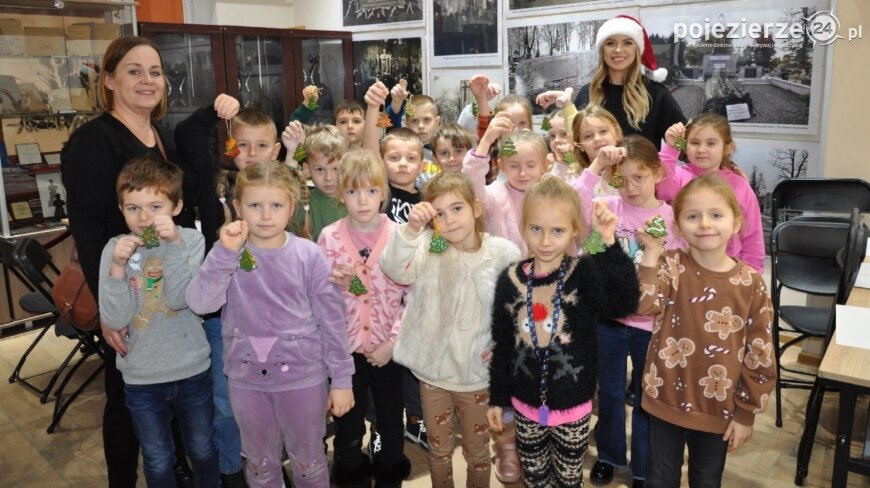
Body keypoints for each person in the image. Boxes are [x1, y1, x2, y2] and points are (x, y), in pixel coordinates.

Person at [61, 35, 229, 487]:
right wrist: (106, 308)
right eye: (133, 70)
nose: (147, 80)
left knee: (176, 396)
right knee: (126, 397)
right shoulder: (93, 142)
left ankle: (176, 470)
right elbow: (90, 227)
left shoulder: (162, 137)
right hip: (129, 292)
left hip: (173, 283)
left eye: (154, 71)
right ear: (110, 80)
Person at [185, 162, 355, 487]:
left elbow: (332, 322)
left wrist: (342, 379)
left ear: (290, 206)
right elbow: (200, 303)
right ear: (238, 207)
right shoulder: (228, 255)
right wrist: (224, 253)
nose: (265, 216)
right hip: (247, 380)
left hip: (303, 379)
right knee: (261, 465)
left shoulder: (309, 255)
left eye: (276, 205)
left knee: (309, 462)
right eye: (254, 206)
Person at [487, 177, 641, 487]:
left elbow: (623, 302)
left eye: (557, 230)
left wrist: (608, 243)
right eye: (536, 229)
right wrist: (498, 399)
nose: (545, 241)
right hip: (524, 406)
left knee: (569, 477)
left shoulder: (583, 273)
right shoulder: (509, 280)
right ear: (523, 227)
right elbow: (504, 344)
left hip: (573, 408)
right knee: (534, 476)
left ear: (574, 231)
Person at [380, 172, 521, 487]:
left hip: (478, 378)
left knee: (478, 452)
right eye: (439, 213)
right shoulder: (429, 246)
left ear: (476, 208)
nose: (449, 219)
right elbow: (392, 268)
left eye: (457, 209)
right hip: (435, 377)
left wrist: (504, 347)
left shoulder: (503, 253)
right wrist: (411, 229)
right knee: (439, 451)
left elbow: (518, 311)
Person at [635, 174, 775, 487]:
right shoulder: (670, 266)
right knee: (659, 478)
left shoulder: (751, 284)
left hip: (719, 405)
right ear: (677, 226)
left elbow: (760, 353)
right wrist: (651, 254)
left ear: (736, 222)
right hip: (666, 398)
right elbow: (644, 305)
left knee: (707, 480)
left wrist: (746, 413)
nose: (705, 224)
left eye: (716, 215)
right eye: (693, 216)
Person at [98, 155, 218, 488]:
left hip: (191, 369)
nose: (144, 217)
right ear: (121, 209)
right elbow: (113, 318)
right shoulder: (114, 249)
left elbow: (182, 300)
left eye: (155, 206)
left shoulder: (191, 241)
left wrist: (175, 246)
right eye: (133, 208)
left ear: (176, 206)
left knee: (203, 448)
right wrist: (117, 269)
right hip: (140, 377)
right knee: (157, 456)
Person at [571, 135, 678, 488]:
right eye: (623, 178)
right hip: (609, 320)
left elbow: (674, 270)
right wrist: (597, 165)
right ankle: (609, 455)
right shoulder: (609, 206)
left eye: (640, 177)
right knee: (612, 392)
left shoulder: (669, 217)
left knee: (648, 397)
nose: (630, 187)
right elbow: (585, 244)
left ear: (657, 174)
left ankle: (644, 467)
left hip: (651, 323)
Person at [318, 149, 411, 488]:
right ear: (342, 194)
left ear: (383, 193)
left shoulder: (401, 235)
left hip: (388, 349)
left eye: (371, 191)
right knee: (348, 422)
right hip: (346, 354)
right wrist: (342, 283)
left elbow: (412, 296)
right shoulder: (329, 237)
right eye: (353, 192)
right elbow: (323, 298)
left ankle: (389, 472)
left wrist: (393, 341)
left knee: (389, 421)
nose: (362, 200)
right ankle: (350, 471)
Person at [657, 113, 764, 272]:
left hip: (727, 269)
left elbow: (752, 236)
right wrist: (671, 148)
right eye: (694, 142)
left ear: (727, 148)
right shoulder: (677, 176)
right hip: (681, 267)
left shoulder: (740, 186)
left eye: (711, 143)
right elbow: (662, 192)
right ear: (685, 145)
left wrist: (751, 273)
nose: (701, 149)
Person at [572, 15, 685, 149]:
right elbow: (573, 145)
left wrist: (678, 142)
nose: (618, 49)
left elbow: (684, 146)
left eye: (627, 43)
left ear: (637, 50)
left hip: (642, 170)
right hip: (596, 170)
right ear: (602, 50)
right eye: (610, 43)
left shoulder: (657, 94)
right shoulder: (587, 93)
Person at [463, 121, 548, 257]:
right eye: (514, 166)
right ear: (501, 165)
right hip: (503, 273)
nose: (522, 173)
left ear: (545, 165)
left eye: (531, 165)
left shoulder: (552, 197)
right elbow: (471, 184)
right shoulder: (495, 196)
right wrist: (485, 141)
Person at [283, 123, 350, 241]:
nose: (328, 177)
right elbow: (286, 190)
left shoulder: (357, 199)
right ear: (307, 169)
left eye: (336, 169)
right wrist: (292, 151)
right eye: (320, 169)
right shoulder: (305, 202)